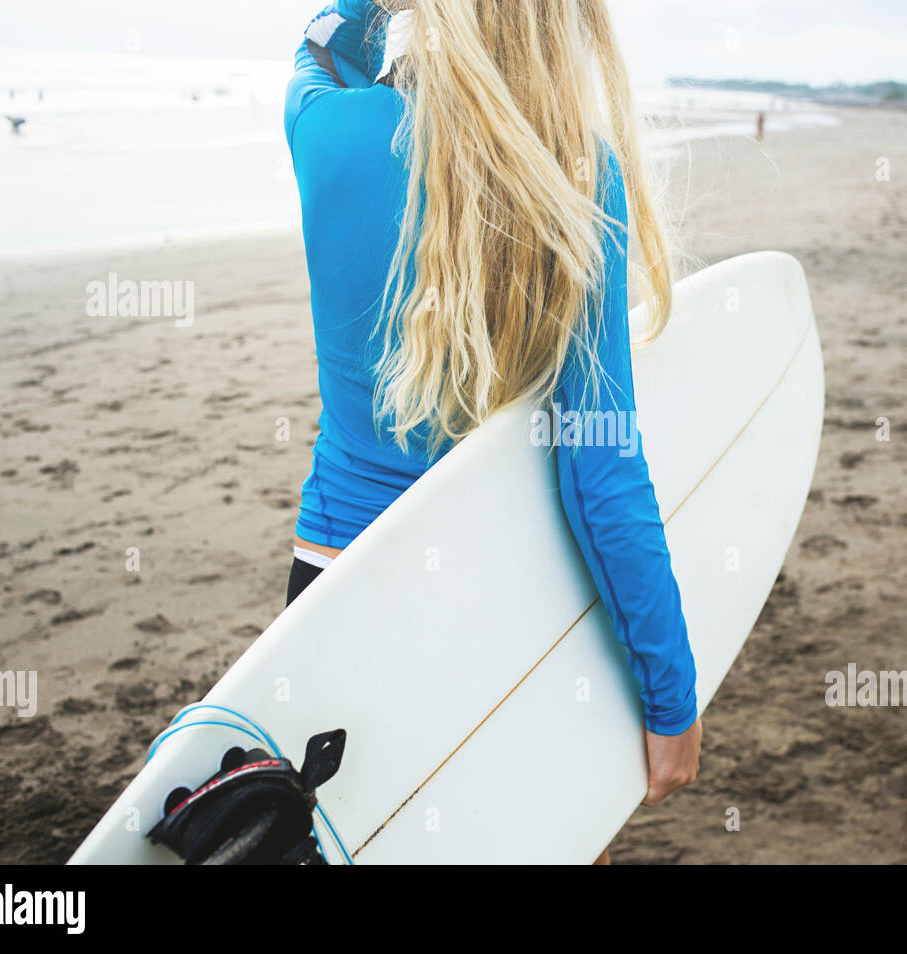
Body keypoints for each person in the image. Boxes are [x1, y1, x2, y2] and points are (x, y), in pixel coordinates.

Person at [283, 0, 702, 864]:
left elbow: (325, 39)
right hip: (498, 596)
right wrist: (672, 699)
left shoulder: (321, 127)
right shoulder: (576, 172)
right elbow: (603, 472)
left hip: (330, 595)